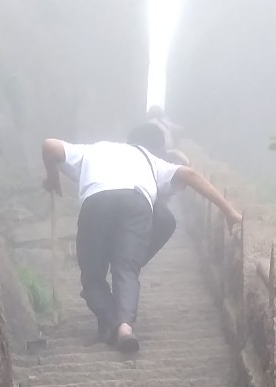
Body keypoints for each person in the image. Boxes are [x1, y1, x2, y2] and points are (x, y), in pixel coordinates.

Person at [41, 121, 242, 354]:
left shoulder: (92, 150)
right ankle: (125, 329)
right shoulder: (148, 158)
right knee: (126, 269)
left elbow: (49, 146)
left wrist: (52, 176)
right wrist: (229, 211)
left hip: (96, 202)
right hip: (136, 203)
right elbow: (189, 173)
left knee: (92, 280)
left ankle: (112, 323)